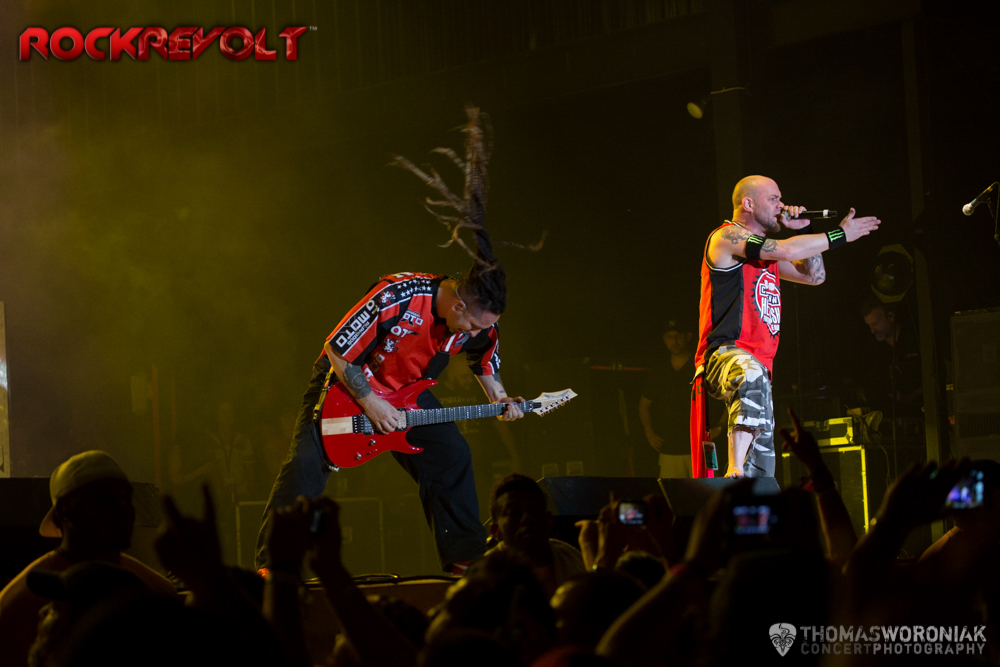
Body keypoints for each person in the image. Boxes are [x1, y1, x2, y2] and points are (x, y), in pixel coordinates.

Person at [255, 109, 528, 574]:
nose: (477, 334)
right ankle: (272, 566)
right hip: (347, 384)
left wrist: (501, 398)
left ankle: (464, 561)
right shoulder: (399, 295)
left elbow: (484, 360)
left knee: (452, 454)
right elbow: (338, 347)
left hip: (407, 394)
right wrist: (371, 403)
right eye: (473, 324)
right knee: (306, 465)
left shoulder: (480, 324)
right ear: (458, 303)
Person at [693, 175, 880, 478]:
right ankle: (734, 469)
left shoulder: (765, 254)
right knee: (750, 374)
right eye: (773, 199)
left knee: (763, 463)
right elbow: (788, 251)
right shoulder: (727, 237)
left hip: (761, 365)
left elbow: (814, 276)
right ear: (748, 204)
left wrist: (804, 229)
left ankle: (752, 488)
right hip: (724, 354)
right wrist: (840, 234)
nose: (781, 205)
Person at [0, 450, 176, 667]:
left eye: (127, 498)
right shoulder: (19, 606)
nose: (125, 508)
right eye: (106, 499)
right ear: (65, 510)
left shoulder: (156, 590)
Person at [485, 474, 587, 596]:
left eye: (534, 510)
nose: (527, 518)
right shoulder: (483, 579)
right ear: (496, 530)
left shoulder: (575, 561)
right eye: (514, 513)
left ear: (549, 520)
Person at [639, 318, 698, 478]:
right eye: (669, 337)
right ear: (664, 340)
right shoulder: (659, 371)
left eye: (678, 335)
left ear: (688, 336)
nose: (674, 341)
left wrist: (719, 427)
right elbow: (644, 404)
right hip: (670, 450)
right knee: (672, 493)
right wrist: (649, 433)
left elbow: (729, 397)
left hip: (701, 449)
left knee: (707, 492)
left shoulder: (701, 366)